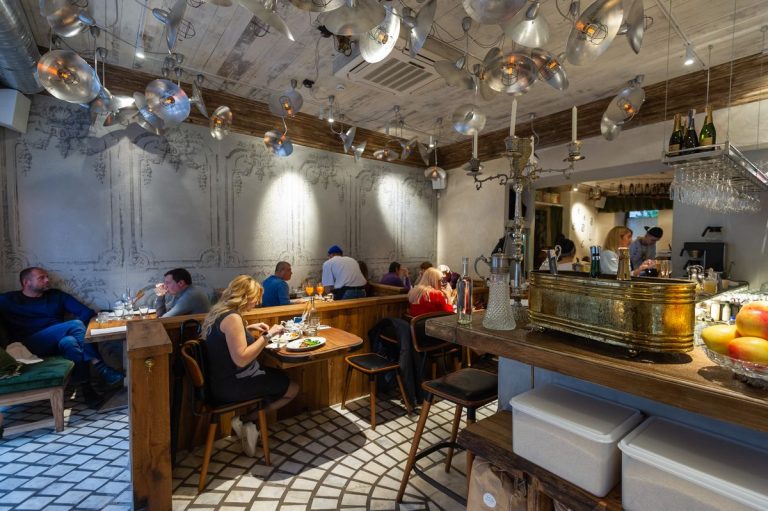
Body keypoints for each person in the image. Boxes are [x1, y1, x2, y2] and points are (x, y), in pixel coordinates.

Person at [201, 275, 298, 456]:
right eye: (255, 298)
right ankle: (248, 420)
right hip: (231, 386)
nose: (257, 302)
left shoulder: (218, 313)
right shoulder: (233, 318)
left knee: (277, 378)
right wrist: (268, 335)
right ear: (244, 296)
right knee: (292, 388)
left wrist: (248, 328)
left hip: (217, 382)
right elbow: (242, 360)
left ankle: (247, 423)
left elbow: (225, 339)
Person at [0, 267, 123, 406]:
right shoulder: (9, 300)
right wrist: (76, 329)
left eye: (47, 277)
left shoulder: (56, 296)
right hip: (30, 345)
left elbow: (86, 312)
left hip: (58, 342)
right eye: (41, 278)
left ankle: (87, 390)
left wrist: (82, 335)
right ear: (26, 282)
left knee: (70, 342)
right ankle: (100, 366)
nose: (47, 280)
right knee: (75, 325)